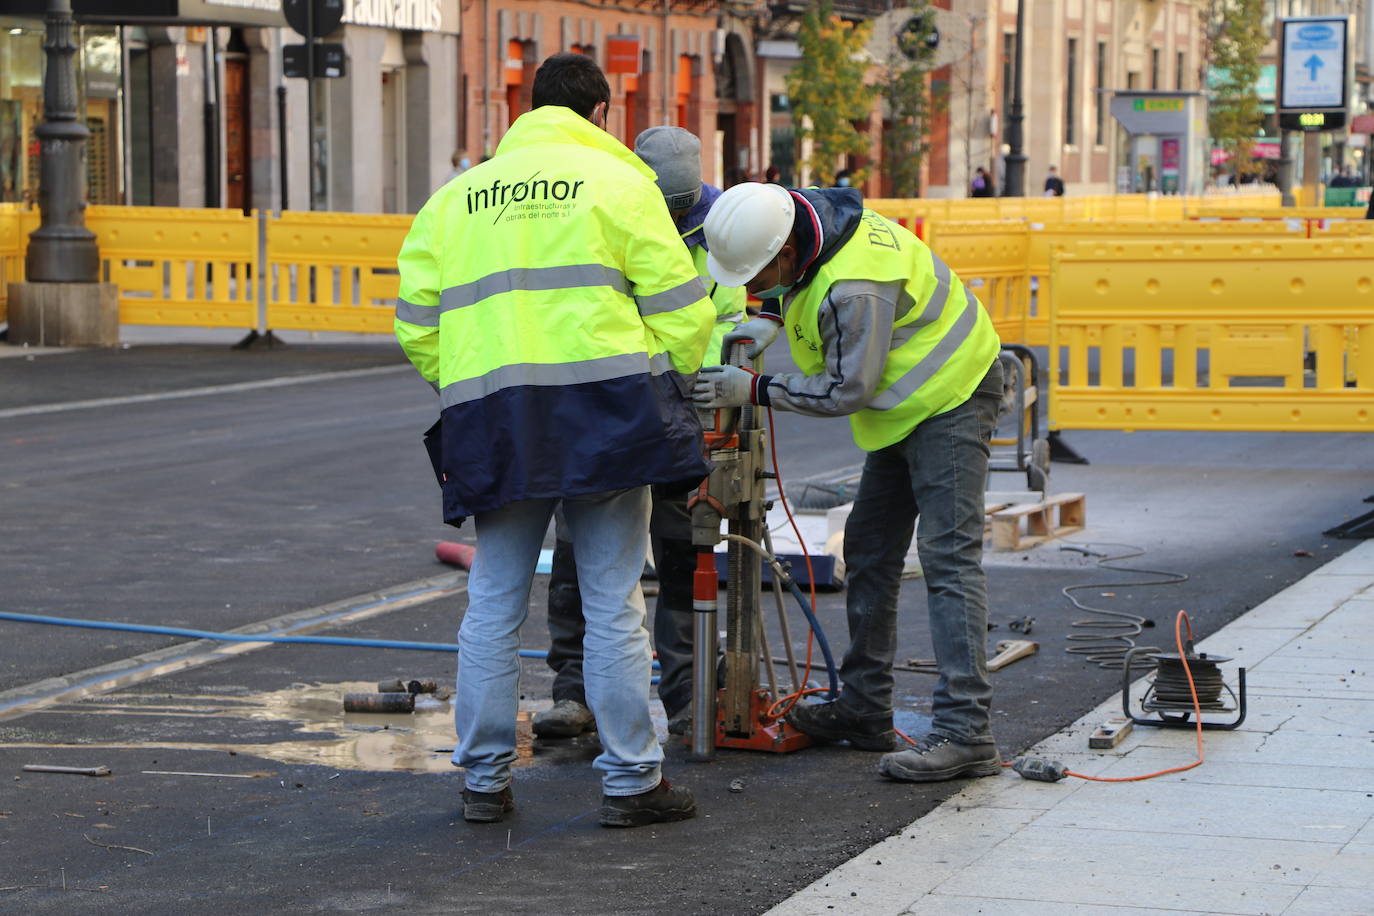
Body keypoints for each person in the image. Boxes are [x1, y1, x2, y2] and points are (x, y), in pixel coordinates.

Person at [394, 52, 715, 828]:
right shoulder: (622, 187)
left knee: (492, 604)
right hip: (606, 418)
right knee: (612, 604)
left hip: (495, 421)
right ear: (600, 114)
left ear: (525, 111)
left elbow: (415, 323)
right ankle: (633, 782)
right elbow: (685, 310)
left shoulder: (456, 198)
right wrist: (658, 384)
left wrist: (469, 388)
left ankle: (481, 781)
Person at [692, 182, 1005, 783]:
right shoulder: (805, 222)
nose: (751, 290)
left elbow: (846, 389)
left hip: (953, 393)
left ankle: (967, 733)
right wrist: (771, 316)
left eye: (758, 279)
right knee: (869, 551)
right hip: (904, 404)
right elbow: (801, 286)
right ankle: (865, 709)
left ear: (785, 252)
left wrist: (754, 388)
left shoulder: (855, 286)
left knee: (949, 561)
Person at [533, 125, 746, 740]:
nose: (678, 216)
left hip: (679, 407)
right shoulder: (608, 212)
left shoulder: (718, 230)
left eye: (683, 207)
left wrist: (712, 385)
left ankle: (686, 694)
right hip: (611, 405)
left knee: (683, 551)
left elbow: (727, 317)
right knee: (580, 551)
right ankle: (573, 693)